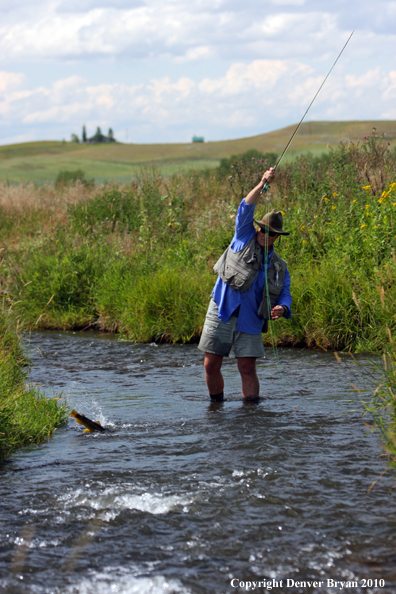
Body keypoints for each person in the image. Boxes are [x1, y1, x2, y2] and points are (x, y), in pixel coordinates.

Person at [198, 167, 292, 402]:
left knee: (247, 368)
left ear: (277, 237)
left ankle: (251, 415)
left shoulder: (280, 266)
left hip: (250, 319)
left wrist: (283, 308)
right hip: (222, 310)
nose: (264, 234)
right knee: (211, 365)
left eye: (270, 233)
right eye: (262, 229)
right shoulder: (242, 236)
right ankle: (216, 408)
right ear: (257, 227)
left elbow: (285, 294)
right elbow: (246, 207)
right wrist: (262, 183)